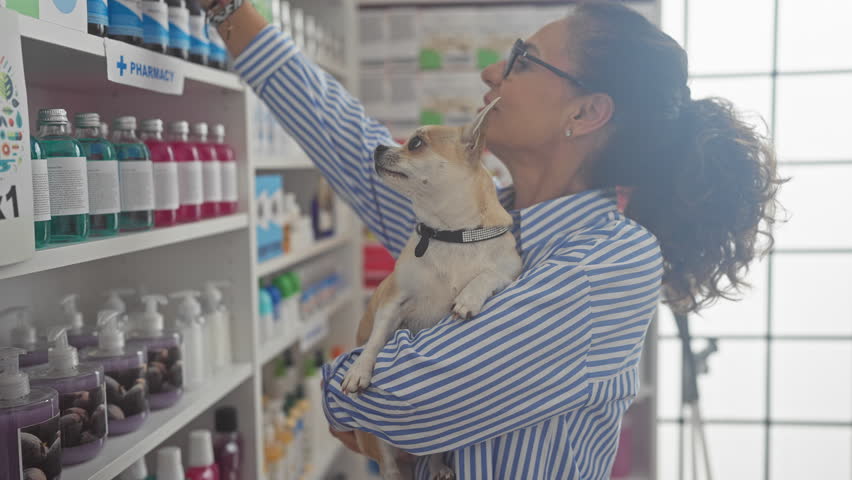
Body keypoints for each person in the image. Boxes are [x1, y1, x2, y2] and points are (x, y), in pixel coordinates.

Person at [204, 1, 783, 478]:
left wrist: (346, 390)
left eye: (522, 61)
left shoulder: (609, 261)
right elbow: (347, 140)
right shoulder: (483, 216)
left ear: (586, 112)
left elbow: (404, 399)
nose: (491, 73)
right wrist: (225, 9)